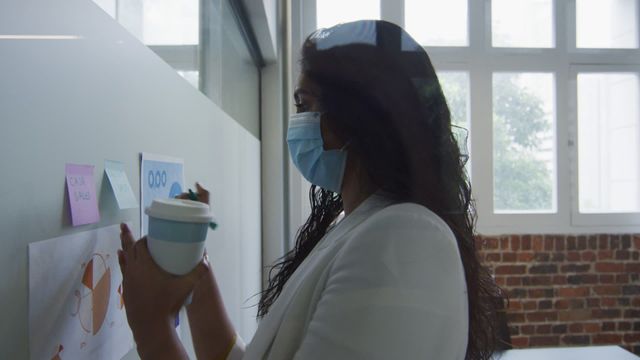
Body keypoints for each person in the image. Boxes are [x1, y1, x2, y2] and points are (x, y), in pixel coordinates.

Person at [118, 20, 504, 360]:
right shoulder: (367, 226)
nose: (297, 123)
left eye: (305, 105)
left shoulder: (405, 239)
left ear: (358, 115)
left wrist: (152, 331)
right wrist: (193, 269)